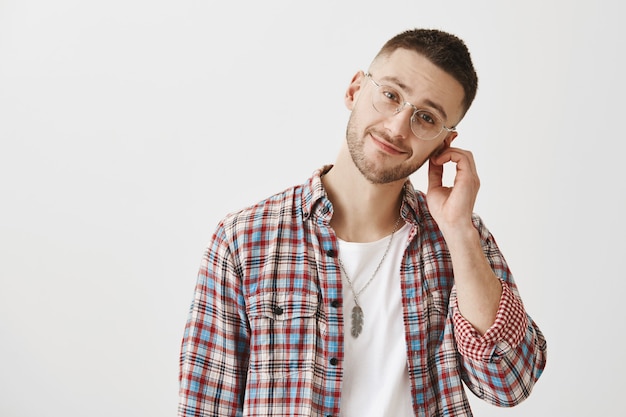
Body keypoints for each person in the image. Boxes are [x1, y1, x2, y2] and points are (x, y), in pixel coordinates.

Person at [178, 28, 547, 417]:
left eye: (426, 117)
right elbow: (206, 406)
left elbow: (510, 383)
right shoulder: (244, 240)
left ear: (443, 143)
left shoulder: (460, 239)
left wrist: (458, 230)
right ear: (356, 90)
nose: (397, 127)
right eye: (390, 95)